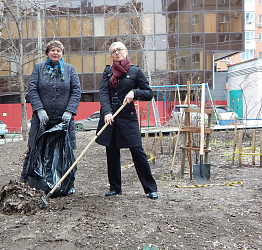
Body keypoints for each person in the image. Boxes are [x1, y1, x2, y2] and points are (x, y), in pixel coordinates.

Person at [95, 41, 158, 200]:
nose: (117, 52)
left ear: (126, 51)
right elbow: (103, 93)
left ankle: (150, 188)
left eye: (120, 50)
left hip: (127, 117)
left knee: (138, 151)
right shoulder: (108, 72)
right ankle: (115, 188)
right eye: (114, 51)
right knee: (112, 153)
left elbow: (148, 93)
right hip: (110, 118)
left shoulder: (135, 71)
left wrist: (134, 93)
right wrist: (107, 112)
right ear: (111, 56)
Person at [20, 40, 81, 183]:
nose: (56, 53)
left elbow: (76, 91)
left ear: (62, 53)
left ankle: (63, 183)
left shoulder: (70, 69)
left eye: (58, 50)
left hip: (63, 119)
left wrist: (70, 111)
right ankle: (28, 180)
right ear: (47, 52)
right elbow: (32, 89)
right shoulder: (39, 68)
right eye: (53, 50)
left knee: (64, 150)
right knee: (35, 148)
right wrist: (40, 110)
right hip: (42, 119)